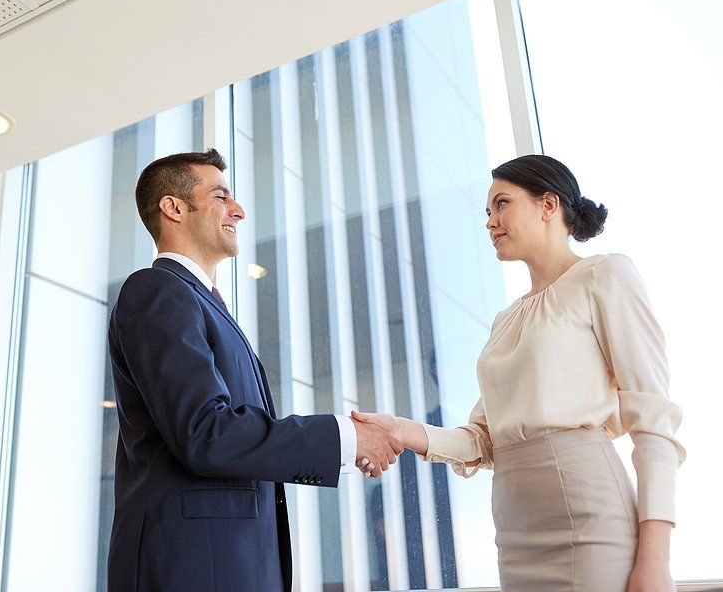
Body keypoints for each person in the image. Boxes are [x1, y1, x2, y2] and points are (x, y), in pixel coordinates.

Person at [353, 155, 686, 591]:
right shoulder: (505, 321)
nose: (490, 221)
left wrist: (656, 559)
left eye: (501, 204)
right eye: (488, 211)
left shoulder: (604, 275)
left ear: (548, 205)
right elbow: (483, 439)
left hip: (589, 515)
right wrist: (401, 430)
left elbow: (654, 422)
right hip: (514, 528)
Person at [106, 149, 402, 592]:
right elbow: (206, 433)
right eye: (221, 196)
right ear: (173, 208)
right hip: (189, 568)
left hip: (226, 563)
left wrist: (342, 448)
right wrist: (345, 436)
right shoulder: (157, 291)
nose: (238, 210)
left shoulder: (199, 301)